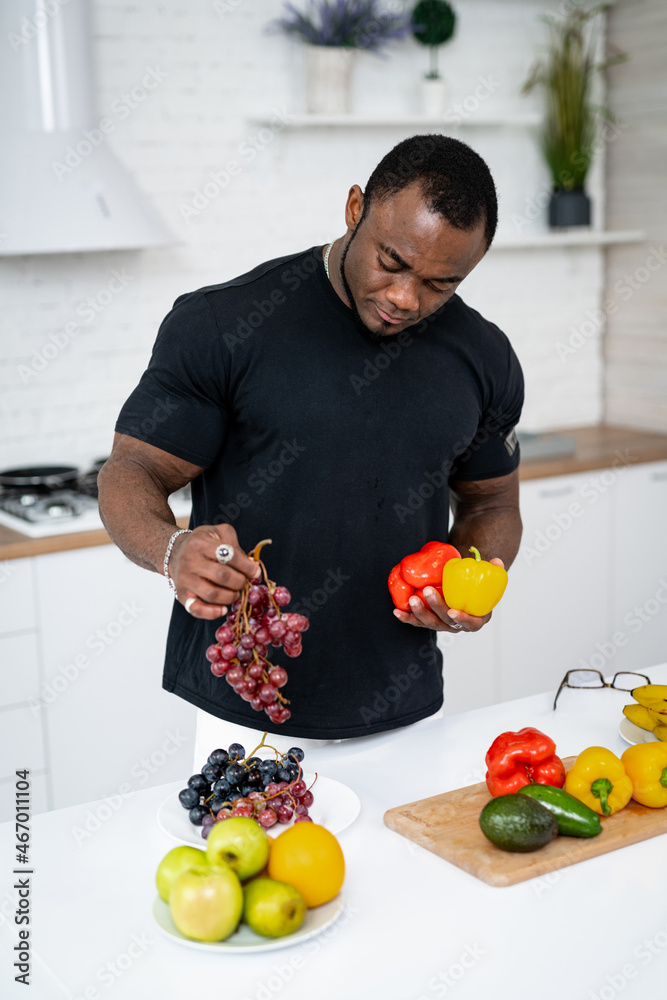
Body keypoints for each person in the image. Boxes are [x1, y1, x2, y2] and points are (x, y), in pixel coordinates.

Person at [97, 134, 524, 763]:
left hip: (404, 708)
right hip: (247, 709)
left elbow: (493, 503)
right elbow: (133, 470)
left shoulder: (484, 356)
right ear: (355, 209)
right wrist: (170, 550)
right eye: (393, 262)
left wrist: (468, 579)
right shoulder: (223, 324)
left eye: (441, 283)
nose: (407, 298)